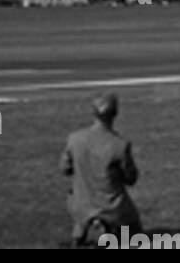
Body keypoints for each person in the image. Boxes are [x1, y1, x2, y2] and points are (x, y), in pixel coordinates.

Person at [60, 92, 141, 245]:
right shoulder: (119, 144)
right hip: (112, 208)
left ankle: (80, 233)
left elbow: (64, 169)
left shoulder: (75, 139)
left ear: (93, 113)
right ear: (115, 114)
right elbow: (131, 178)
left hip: (82, 204)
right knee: (136, 231)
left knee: (79, 197)